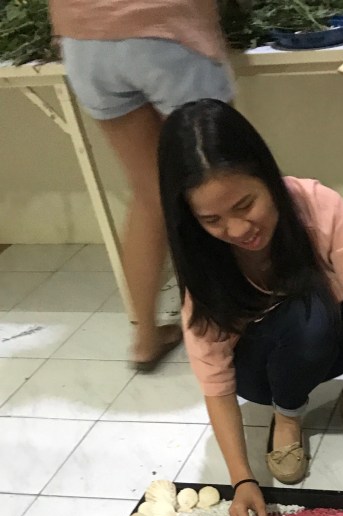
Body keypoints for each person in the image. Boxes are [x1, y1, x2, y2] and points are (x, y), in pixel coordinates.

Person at [158, 99, 343, 516]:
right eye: (212, 219)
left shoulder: (317, 205)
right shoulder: (203, 262)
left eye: (245, 205)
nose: (238, 230)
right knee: (310, 313)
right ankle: (287, 417)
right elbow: (216, 384)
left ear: (268, 177)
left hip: (322, 336)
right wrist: (242, 479)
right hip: (262, 370)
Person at [49, 0, 235, 369]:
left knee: (149, 194)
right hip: (166, 31)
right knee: (218, 188)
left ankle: (146, 339)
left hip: (84, 42)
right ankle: (230, 329)